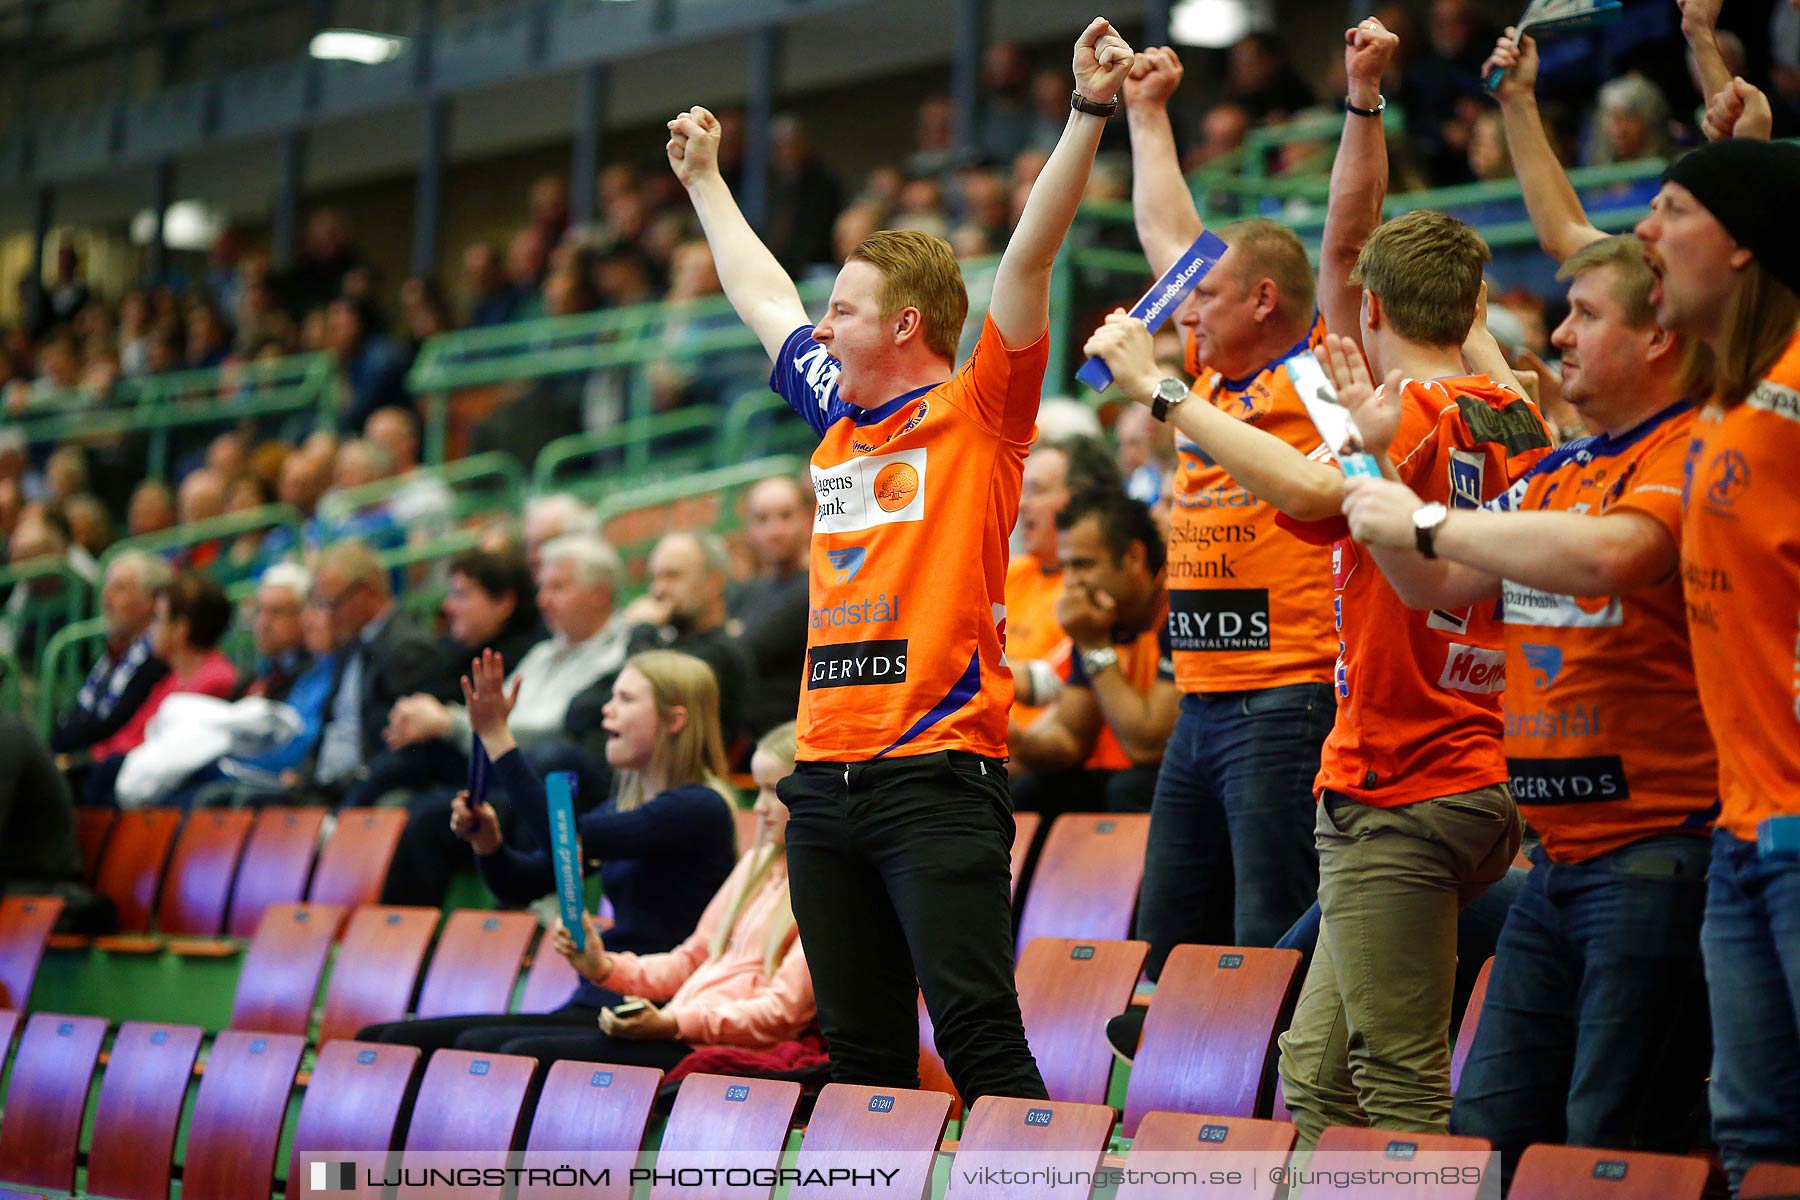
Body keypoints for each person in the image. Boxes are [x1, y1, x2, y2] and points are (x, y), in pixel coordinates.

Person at [666, 16, 1134, 1103]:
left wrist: (1085, 114)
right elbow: (763, 299)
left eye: (845, 312)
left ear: (910, 323)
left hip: (936, 778)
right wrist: (705, 186)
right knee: (862, 1059)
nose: (821, 331)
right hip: (821, 783)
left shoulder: (981, 411)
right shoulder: (837, 415)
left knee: (978, 1039)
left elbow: (1030, 255)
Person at [1085, 220, 1550, 1143]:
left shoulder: (1409, 412)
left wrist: (1157, 390)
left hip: (1405, 779)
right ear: (1473, 310)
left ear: (1369, 309)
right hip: (1482, 768)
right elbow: (1486, 359)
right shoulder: (1512, 407)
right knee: (1315, 1072)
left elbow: (1304, 493)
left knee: (1397, 1084)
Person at [1337, 235, 1718, 1178]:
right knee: (1486, 1131)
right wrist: (1377, 470)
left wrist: (1419, 514)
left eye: (1586, 314)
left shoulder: (1688, 450)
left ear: (1660, 337)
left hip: (1655, 849)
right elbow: (1440, 587)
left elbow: (1615, 557)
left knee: (1612, 1140)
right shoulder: (1557, 473)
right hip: (1558, 858)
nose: (1559, 333)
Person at [1117, 28, 1390, 965]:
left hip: (1284, 697)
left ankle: (1279, 1103)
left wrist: (1362, 96)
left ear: (1267, 299)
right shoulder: (1214, 383)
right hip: (1198, 697)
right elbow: (1167, 240)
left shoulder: (1315, 374)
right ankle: (1172, 1094)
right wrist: (1146, 113)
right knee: (1168, 937)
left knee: (1266, 936)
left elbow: (1349, 237)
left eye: (1209, 295)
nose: (1184, 309)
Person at [1634, 133, 1800, 1190]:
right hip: (1742, 830)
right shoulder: (1727, 396)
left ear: (1742, 246)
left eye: (1670, 211)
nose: (1642, 232)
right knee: (1753, 1139)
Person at [357, 649, 739, 1058]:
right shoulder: (621, 809)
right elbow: (520, 885)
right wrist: (489, 846)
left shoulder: (701, 808)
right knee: (385, 1040)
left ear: (675, 720)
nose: (606, 711)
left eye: (626, 700)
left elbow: (566, 835)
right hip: (596, 1001)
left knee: (482, 1049)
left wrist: (498, 740)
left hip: (655, 1013)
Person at [538, 720, 813, 1068]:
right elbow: (691, 960)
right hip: (683, 1031)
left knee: (519, 1054)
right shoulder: (757, 864)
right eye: (757, 790)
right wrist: (605, 966)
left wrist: (673, 1023)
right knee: (486, 1046)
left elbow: (781, 1013)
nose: (758, 807)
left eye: (773, 791)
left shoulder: (832, 894)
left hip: (719, 1051)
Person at [1008, 489, 1173, 814]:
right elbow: (1071, 739)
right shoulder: (1103, 619)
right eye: (1066, 566)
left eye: (1082, 565)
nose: (1070, 582)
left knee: (1130, 788)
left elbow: (1148, 745)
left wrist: (1094, 645)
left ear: (1133, 558)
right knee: (1029, 791)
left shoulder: (1177, 608)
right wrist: (1019, 743)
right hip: (1121, 779)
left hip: (1188, 778)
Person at [80, 573, 238, 805]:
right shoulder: (171, 679)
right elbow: (133, 733)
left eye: (157, 618)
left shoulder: (217, 677)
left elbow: (164, 744)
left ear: (180, 629)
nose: (151, 629)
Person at [51, 551, 171, 759]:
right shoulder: (108, 659)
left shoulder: (158, 661)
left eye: (120, 588)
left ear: (151, 601)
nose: (106, 598)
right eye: (107, 587)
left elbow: (112, 727)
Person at [728, 474, 812, 738]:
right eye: (762, 520)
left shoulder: (818, 587)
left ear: (808, 519)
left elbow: (744, 650)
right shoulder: (744, 591)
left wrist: (734, 633)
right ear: (749, 531)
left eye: (786, 516)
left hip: (791, 737)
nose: (774, 531)